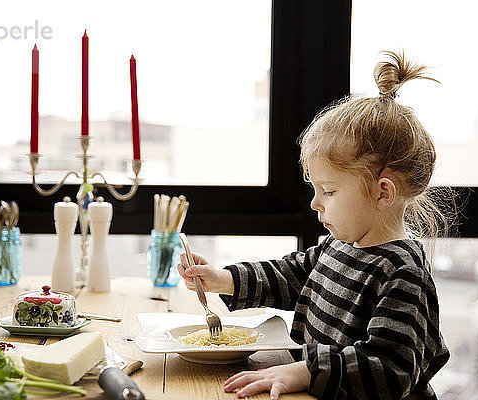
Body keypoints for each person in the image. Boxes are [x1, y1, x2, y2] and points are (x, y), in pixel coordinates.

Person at [177, 50, 452, 399]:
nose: (315, 202)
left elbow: (389, 369)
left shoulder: (402, 273)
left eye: (330, 190)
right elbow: (290, 275)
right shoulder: (340, 246)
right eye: (315, 188)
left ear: (383, 193)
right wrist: (222, 279)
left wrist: (306, 370)